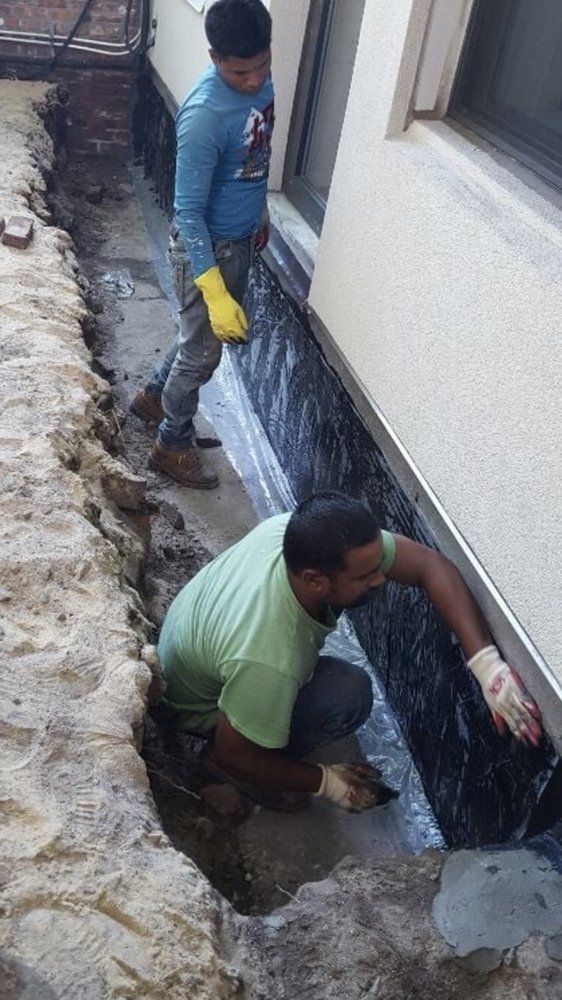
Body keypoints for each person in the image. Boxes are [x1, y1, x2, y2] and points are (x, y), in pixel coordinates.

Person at [156, 492, 542, 813]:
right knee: (347, 694)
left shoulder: (294, 535)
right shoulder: (270, 656)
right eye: (364, 576)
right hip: (193, 707)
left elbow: (428, 565)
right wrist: (326, 783)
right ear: (314, 580)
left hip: (189, 645)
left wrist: (489, 668)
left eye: (377, 566)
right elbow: (233, 752)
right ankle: (229, 772)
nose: (380, 579)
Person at [131, 0, 274, 489]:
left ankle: (153, 397)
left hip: (239, 237)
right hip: (209, 250)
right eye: (240, 72)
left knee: (194, 339)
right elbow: (187, 213)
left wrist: (262, 210)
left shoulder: (258, 84)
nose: (254, 81)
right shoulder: (204, 115)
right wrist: (213, 291)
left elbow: (258, 152)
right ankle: (171, 443)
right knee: (201, 355)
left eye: (261, 66)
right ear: (215, 58)